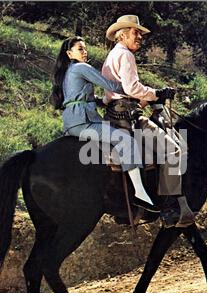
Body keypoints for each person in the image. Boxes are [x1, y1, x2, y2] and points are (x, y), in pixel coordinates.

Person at [102, 15, 196, 227]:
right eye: (136, 33)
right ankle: (170, 208)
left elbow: (115, 95)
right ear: (123, 34)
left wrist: (150, 97)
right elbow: (131, 89)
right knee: (174, 150)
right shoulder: (125, 56)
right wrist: (157, 92)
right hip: (129, 118)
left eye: (141, 34)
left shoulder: (111, 56)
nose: (140, 37)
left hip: (113, 116)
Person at [51, 36, 158, 212]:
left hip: (72, 122)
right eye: (80, 49)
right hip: (84, 122)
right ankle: (140, 194)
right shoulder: (81, 67)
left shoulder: (68, 72)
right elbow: (111, 86)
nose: (85, 52)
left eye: (85, 49)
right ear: (69, 53)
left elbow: (86, 99)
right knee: (125, 140)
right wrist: (141, 92)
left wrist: (103, 102)